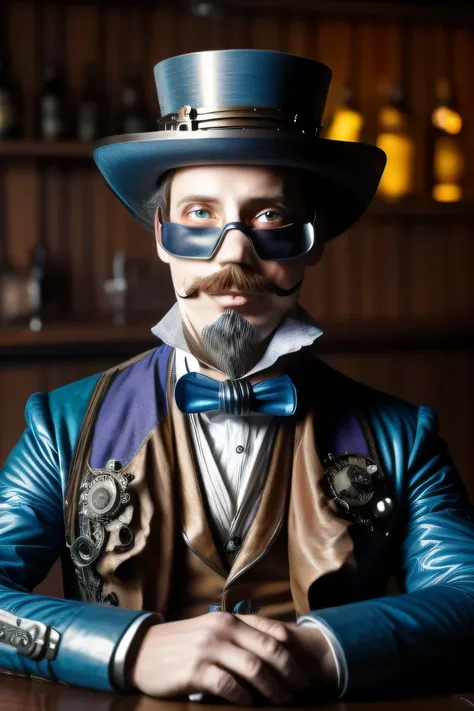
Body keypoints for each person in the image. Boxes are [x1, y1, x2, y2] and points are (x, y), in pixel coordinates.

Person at [0, 49, 473, 705]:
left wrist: (321, 646)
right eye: (200, 215)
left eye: (270, 217)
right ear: (161, 232)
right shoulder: (62, 427)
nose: (233, 252)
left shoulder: (402, 436)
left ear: (313, 240)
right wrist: (128, 646)